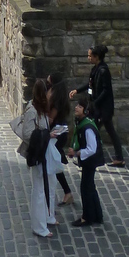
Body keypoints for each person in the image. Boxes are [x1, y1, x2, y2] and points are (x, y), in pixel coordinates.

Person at [70, 44, 125, 167]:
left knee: (89, 130)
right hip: (99, 108)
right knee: (108, 131)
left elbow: (105, 91)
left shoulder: (103, 71)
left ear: (97, 57)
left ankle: (85, 158)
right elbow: (90, 85)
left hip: (102, 109)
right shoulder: (95, 69)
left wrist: (95, 103)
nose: (88, 58)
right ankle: (119, 158)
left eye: (90, 56)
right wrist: (77, 90)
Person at [20, 79, 60, 238]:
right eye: (49, 92)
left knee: (50, 183)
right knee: (38, 190)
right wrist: (46, 135)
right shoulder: (32, 110)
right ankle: (39, 226)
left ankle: (48, 216)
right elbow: (27, 134)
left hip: (44, 152)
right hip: (37, 154)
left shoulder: (41, 108)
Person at [66, 93, 104, 227]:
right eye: (77, 105)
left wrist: (76, 153)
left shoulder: (87, 128)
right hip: (88, 161)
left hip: (90, 161)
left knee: (86, 188)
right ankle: (97, 215)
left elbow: (91, 149)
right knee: (90, 187)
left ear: (86, 111)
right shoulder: (83, 123)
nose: (76, 108)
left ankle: (87, 217)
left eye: (80, 106)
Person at [47, 73, 74, 206]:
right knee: (54, 159)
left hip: (58, 133)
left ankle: (67, 192)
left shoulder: (56, 99)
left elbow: (51, 119)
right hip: (60, 131)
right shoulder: (57, 94)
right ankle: (60, 155)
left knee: (53, 162)